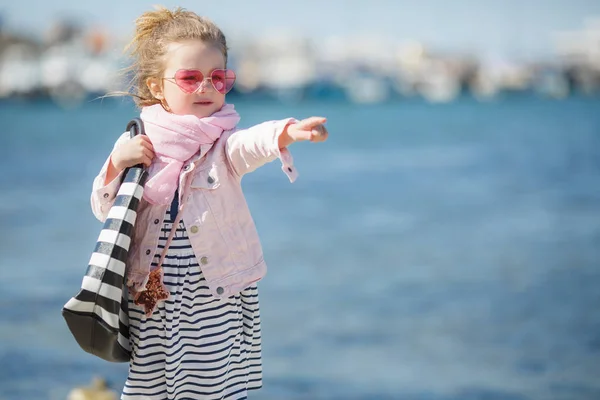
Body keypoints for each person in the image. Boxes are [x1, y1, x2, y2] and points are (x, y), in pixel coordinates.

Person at [90, 5, 328, 400]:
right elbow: (104, 209)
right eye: (189, 78)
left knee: (211, 386)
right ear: (155, 86)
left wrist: (286, 132)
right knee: (148, 386)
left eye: (217, 78)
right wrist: (119, 162)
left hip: (213, 294)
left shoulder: (221, 144)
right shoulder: (136, 143)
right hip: (150, 294)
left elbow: (250, 144)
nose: (206, 88)